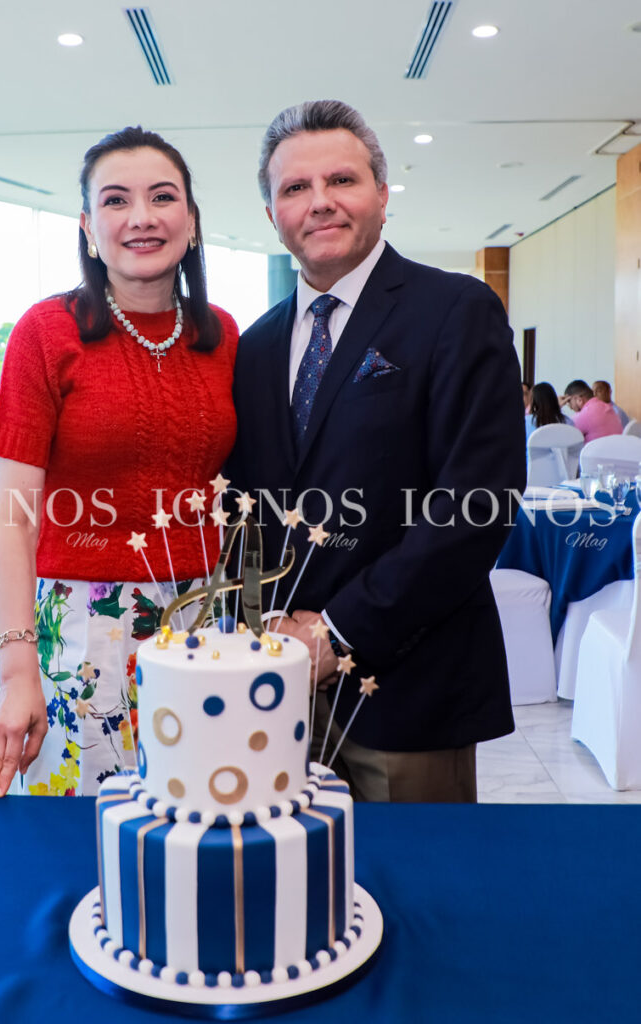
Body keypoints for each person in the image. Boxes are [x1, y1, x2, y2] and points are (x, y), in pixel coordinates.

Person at [228, 100, 525, 803]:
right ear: (273, 212)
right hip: (277, 694)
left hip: (409, 686)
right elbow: (252, 503)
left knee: (416, 899)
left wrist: (336, 631)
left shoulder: (455, 309)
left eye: (342, 180)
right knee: (295, 895)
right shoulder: (255, 345)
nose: (319, 202)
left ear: (383, 196)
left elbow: (475, 505)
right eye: (295, 188)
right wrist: (266, 624)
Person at [0, 126, 239, 800]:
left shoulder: (225, 336)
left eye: (163, 196)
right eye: (116, 201)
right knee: (85, 829)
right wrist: (16, 668)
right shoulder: (47, 331)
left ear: (192, 221)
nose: (142, 217)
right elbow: (12, 518)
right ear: (89, 227)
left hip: (203, 621)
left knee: (199, 821)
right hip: (84, 628)